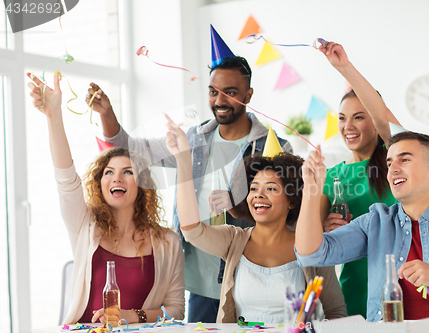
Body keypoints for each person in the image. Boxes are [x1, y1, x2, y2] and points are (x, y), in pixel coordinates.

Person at [86, 56, 291, 322]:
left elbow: (287, 214)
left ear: (248, 94)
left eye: (230, 93)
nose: (219, 101)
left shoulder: (274, 147)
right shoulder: (194, 139)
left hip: (251, 277)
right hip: (200, 280)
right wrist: (106, 113)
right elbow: (133, 149)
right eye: (213, 92)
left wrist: (237, 205)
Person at [27, 72, 185, 325]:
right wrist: (53, 115)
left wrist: (132, 316)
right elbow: (66, 179)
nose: (116, 179)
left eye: (128, 172)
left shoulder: (167, 242)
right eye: (108, 172)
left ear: (143, 184)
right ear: (100, 184)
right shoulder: (85, 226)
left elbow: (176, 310)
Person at [296, 132, 429, 322]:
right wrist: (311, 192)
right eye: (390, 162)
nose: (392, 169)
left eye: (404, 159)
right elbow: (311, 254)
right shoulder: (375, 222)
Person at [164, 115, 346, 323]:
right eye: (253, 188)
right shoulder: (234, 240)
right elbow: (191, 229)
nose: (259, 195)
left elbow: (336, 312)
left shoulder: (312, 247)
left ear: (292, 200)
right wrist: (183, 160)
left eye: (271, 188)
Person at [316, 41, 401, 318]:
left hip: (400, 282)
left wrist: (344, 68)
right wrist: (327, 228)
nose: (347, 127)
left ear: (375, 122)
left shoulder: (395, 159)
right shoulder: (331, 176)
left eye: (358, 117)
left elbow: (382, 114)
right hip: (353, 289)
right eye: (342, 118)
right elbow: (311, 244)